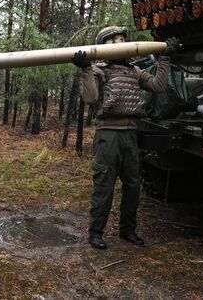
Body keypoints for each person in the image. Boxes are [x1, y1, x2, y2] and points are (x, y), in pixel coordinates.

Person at [72, 26, 178, 249]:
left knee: (132, 186)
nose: (119, 43)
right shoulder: (99, 70)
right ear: (103, 48)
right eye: (112, 41)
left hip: (131, 134)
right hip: (108, 135)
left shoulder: (134, 71)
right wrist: (85, 70)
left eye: (122, 39)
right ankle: (96, 232)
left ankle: (127, 230)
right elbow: (90, 98)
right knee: (104, 185)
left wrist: (165, 58)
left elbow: (158, 86)